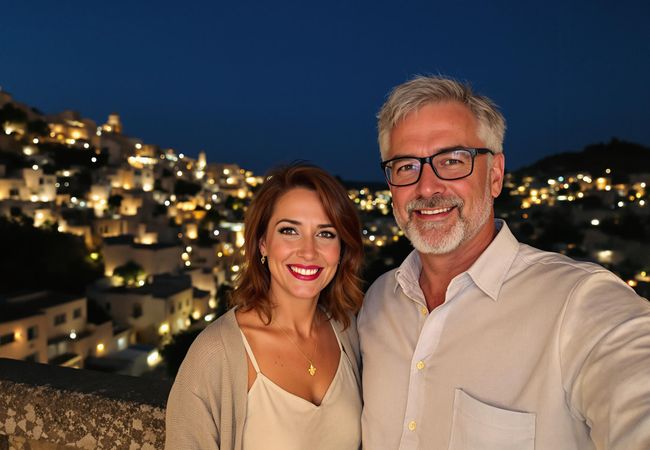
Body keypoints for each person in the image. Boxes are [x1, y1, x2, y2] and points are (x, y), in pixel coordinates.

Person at [358, 76, 650, 450]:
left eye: (452, 161)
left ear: (494, 175)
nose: (427, 187)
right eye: (405, 167)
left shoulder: (578, 302)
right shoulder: (378, 302)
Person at [166, 164, 364, 450]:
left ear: (342, 248)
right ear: (262, 243)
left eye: (326, 234)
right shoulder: (215, 353)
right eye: (289, 231)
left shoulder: (347, 332)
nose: (308, 252)